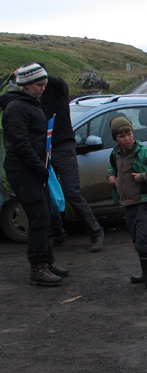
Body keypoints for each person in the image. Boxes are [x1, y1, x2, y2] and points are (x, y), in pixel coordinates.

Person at [0, 63, 67, 286]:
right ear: (26, 85)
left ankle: (47, 261)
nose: (42, 89)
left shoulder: (29, 103)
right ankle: (37, 268)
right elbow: (20, 144)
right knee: (38, 218)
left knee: (45, 215)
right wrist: (40, 167)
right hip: (23, 171)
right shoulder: (16, 108)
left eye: (44, 85)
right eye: (39, 85)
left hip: (36, 168)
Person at [40, 74, 104, 251]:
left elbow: (59, 82)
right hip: (45, 149)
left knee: (71, 192)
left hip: (63, 146)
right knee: (49, 193)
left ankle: (96, 232)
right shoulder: (35, 97)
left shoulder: (58, 90)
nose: (39, 86)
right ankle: (57, 234)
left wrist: (40, 75)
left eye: (40, 82)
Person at [106, 117, 147, 291]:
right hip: (128, 201)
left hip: (145, 200)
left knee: (142, 237)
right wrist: (110, 176)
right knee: (137, 238)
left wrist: (144, 176)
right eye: (121, 136)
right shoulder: (115, 154)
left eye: (129, 134)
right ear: (116, 138)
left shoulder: (143, 152)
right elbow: (112, 167)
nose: (126, 139)